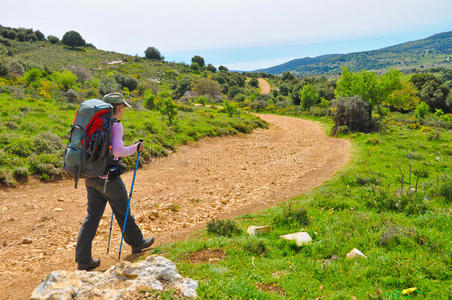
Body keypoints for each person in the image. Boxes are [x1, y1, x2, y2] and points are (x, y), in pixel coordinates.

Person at [75, 92, 154, 271]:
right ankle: (137, 243)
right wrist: (135, 148)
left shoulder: (93, 124)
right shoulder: (116, 126)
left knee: (92, 217)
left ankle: (83, 260)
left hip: (91, 177)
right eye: (124, 107)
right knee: (123, 211)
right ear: (119, 107)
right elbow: (118, 150)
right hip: (109, 179)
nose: (124, 110)